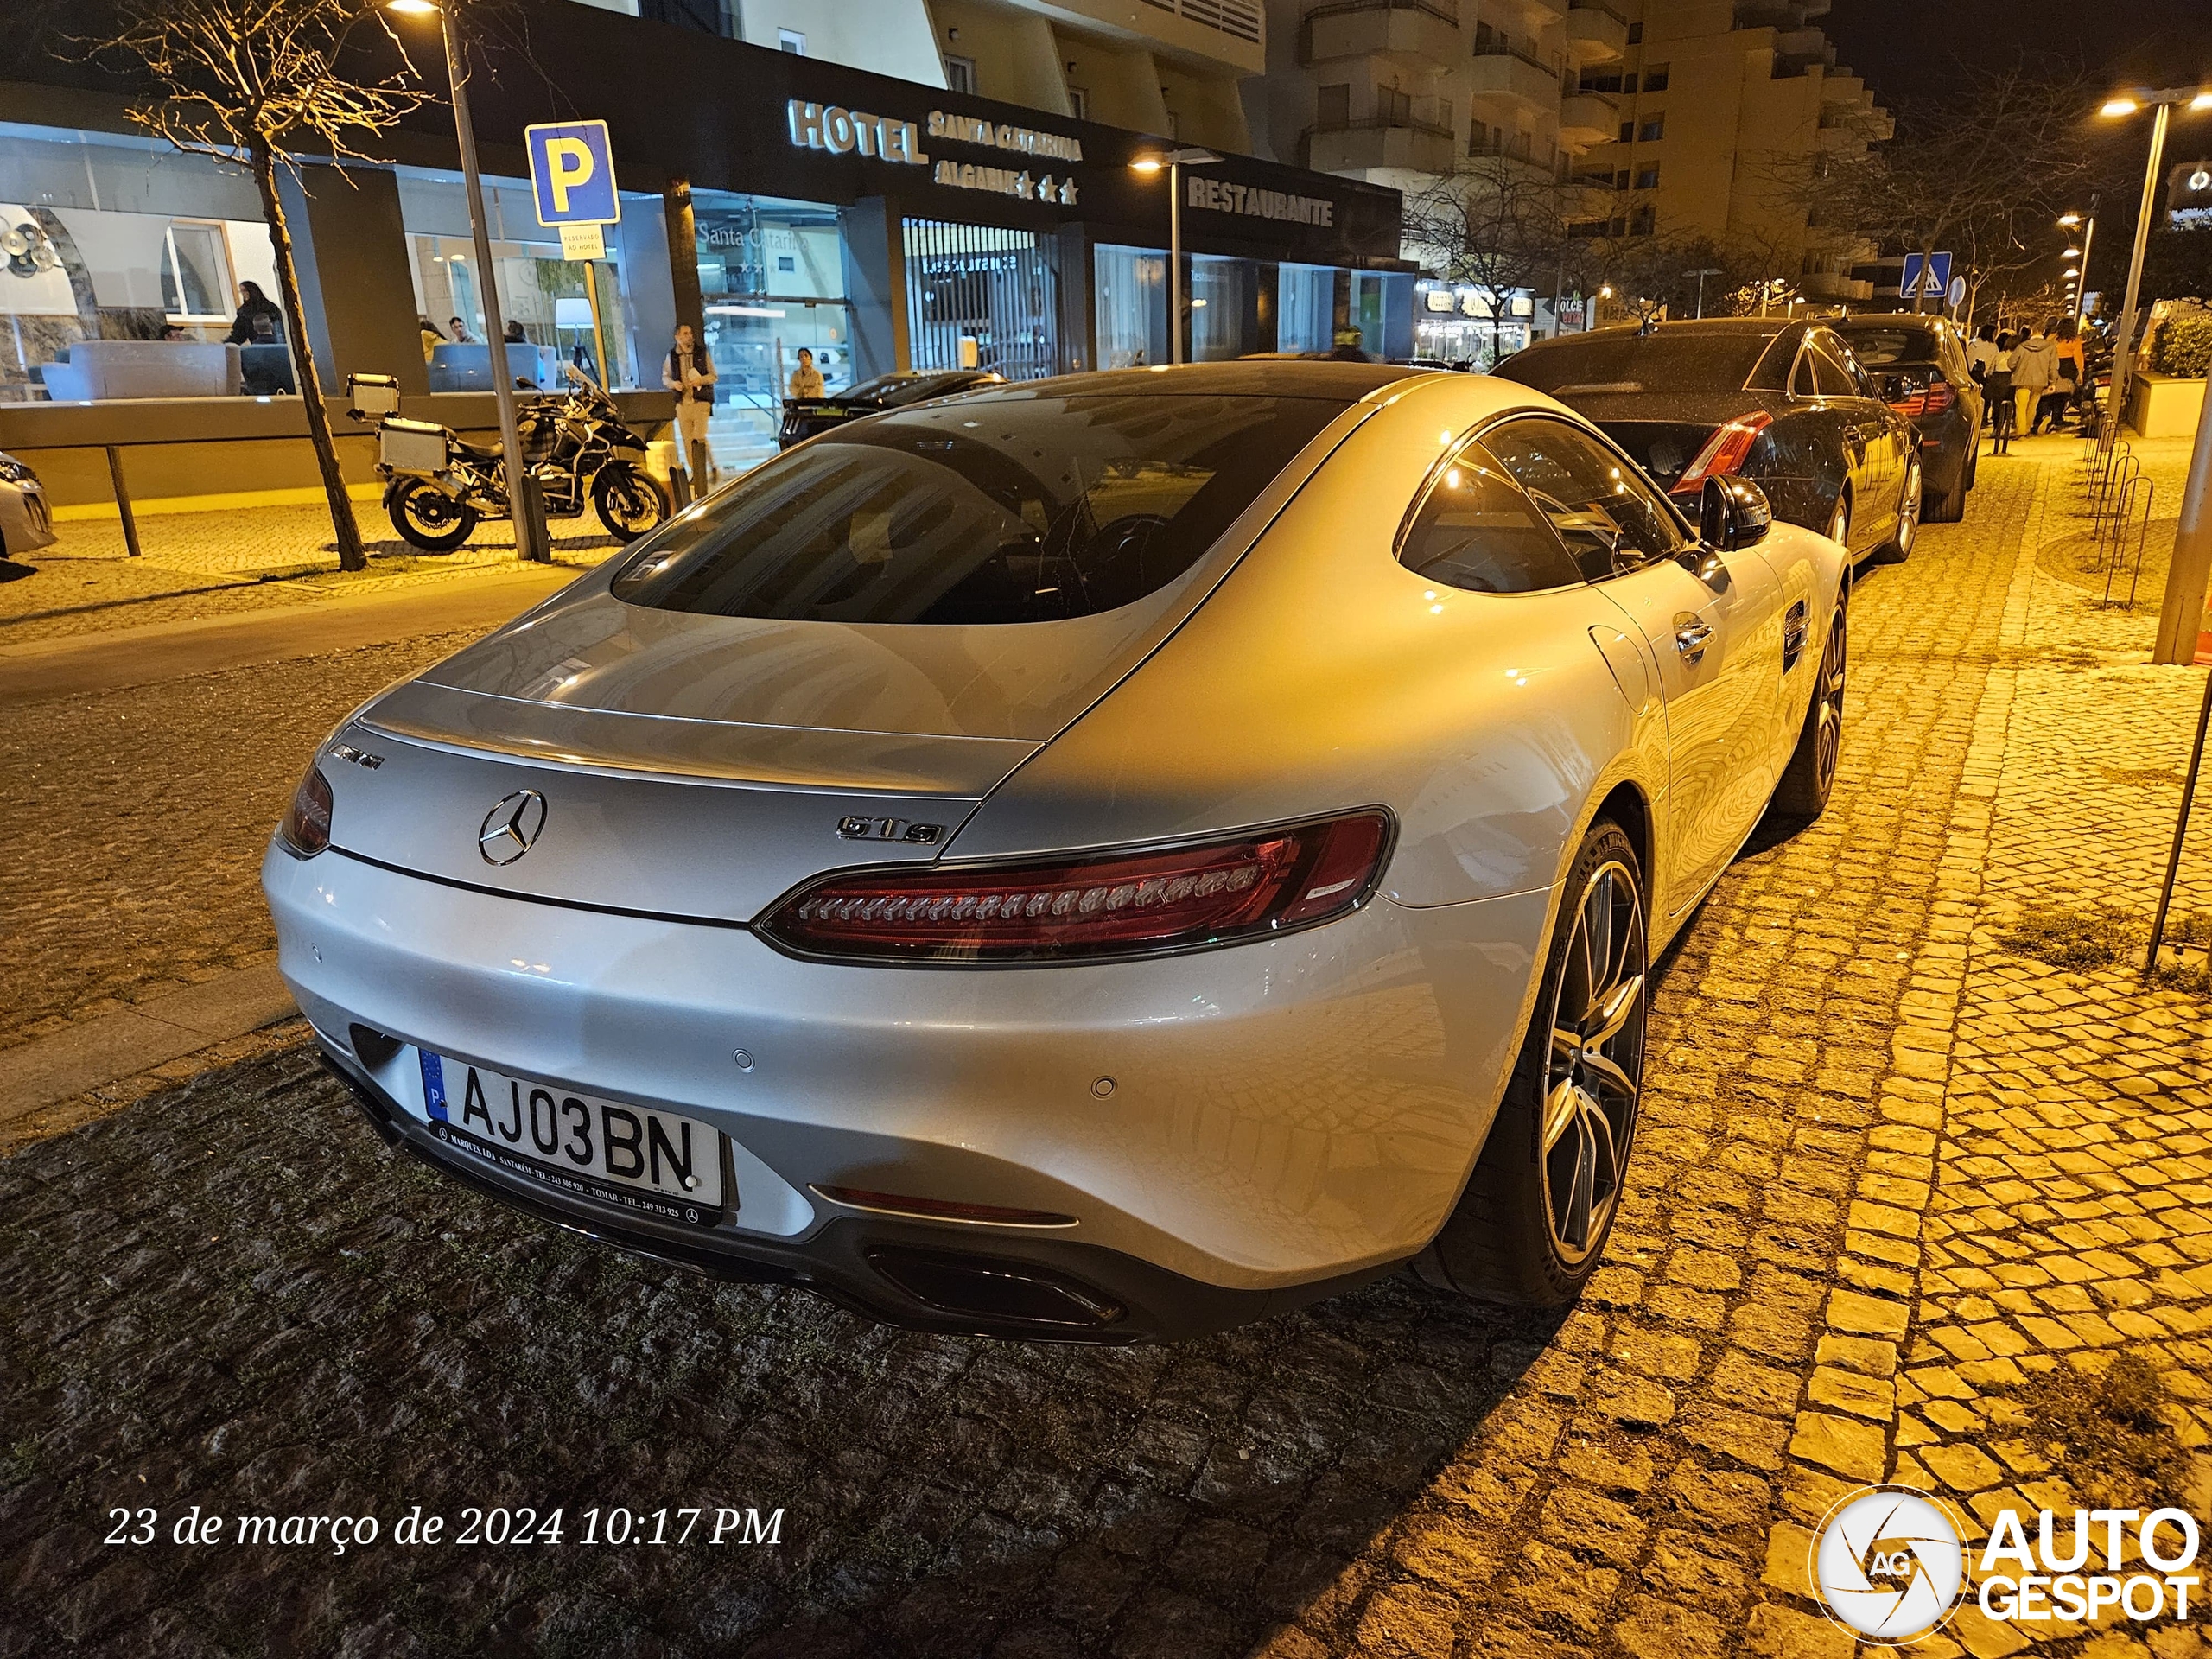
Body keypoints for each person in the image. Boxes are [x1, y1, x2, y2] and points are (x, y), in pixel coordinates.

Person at [664, 322, 717, 482]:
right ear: (677, 337)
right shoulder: (672, 356)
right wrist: (674, 384)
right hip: (682, 403)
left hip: (700, 402)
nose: (689, 336)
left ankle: (708, 468)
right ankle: (697, 472)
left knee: (698, 437)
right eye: (685, 333)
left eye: (690, 333)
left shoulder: (701, 353)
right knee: (687, 440)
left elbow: (713, 376)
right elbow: (665, 376)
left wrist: (701, 379)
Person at [2013, 321, 2056, 435]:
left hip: (2022, 379)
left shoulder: (2022, 346)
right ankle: (2027, 429)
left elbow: (2011, 363)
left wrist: (2018, 368)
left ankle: (2021, 431)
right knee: (2032, 407)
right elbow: (2053, 367)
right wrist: (2052, 382)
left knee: (2021, 407)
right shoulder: (2050, 347)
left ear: (2031, 332)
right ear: (2043, 331)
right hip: (2040, 381)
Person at [2046, 316, 2085, 433]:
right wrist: (2080, 371)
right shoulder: (2075, 340)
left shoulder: (2052, 338)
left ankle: (2047, 417)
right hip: (2068, 366)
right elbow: (2078, 357)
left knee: (2051, 391)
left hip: (2054, 364)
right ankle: (2057, 418)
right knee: (2062, 394)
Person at [225, 281, 283, 346]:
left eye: (244, 291)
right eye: (241, 291)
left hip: (277, 344)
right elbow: (238, 334)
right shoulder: (243, 312)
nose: (243, 294)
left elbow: (281, 327)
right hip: (257, 345)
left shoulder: (270, 308)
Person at [1986, 332, 2016, 454]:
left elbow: (1991, 369)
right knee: (2009, 405)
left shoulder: (1999, 355)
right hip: (2009, 379)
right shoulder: (2016, 356)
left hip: (1997, 379)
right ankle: (2004, 428)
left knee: (1997, 405)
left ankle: (1996, 429)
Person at [1966, 323, 1998, 425]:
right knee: (1985, 398)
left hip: (1973, 374)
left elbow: (1968, 358)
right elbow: (1993, 362)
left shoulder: (1974, 344)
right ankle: (1983, 417)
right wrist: (1989, 373)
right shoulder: (1994, 347)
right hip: (1985, 376)